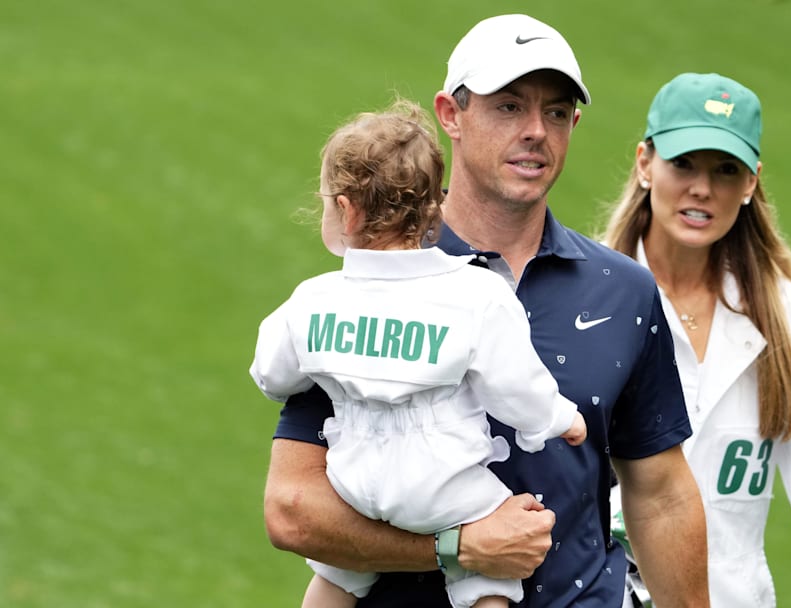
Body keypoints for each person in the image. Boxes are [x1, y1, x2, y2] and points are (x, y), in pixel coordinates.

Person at [261, 14, 708, 608]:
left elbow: (662, 496)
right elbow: (293, 510)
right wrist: (459, 548)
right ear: (451, 114)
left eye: (556, 112)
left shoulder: (622, 291)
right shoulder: (366, 287)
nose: (535, 131)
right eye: (509, 106)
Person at [250, 100, 589, 608]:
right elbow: (516, 387)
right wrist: (558, 418)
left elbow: (270, 374)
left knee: (338, 573)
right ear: (435, 210)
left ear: (345, 210)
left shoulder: (313, 300)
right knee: (492, 558)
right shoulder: (477, 293)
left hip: (354, 482)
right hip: (441, 482)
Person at [602, 72, 791, 607]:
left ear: (751, 183)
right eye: (684, 164)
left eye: (726, 170)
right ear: (645, 163)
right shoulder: (587, 299)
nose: (702, 188)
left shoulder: (788, 319)